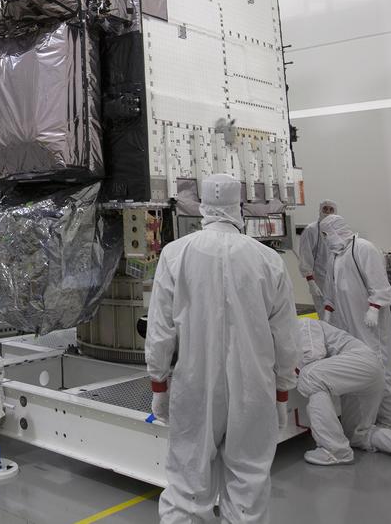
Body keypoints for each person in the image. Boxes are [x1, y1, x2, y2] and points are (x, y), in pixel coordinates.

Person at [146, 174, 298, 523]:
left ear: (203, 207)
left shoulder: (175, 254)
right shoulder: (268, 260)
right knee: (248, 484)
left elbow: (159, 332)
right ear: (239, 206)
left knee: (188, 484)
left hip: (194, 384)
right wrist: (282, 392)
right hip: (254, 388)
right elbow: (287, 338)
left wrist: (159, 385)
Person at [295, 317, 391, 473]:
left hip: (360, 362)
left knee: (308, 376)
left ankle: (334, 450)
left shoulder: (301, 324)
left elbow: (312, 356)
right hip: (365, 374)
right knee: (356, 435)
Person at [319, 214, 391, 431]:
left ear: (334, 231)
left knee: (380, 369)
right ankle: (367, 420)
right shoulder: (335, 255)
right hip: (347, 323)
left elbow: (379, 284)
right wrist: (329, 311)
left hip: (370, 323)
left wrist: (375, 308)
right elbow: (332, 288)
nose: (324, 239)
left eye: (325, 234)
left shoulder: (364, 248)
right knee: (358, 369)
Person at [297, 199, 338, 314]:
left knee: (339, 313)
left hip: (337, 279)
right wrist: (311, 282)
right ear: (320, 210)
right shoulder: (311, 230)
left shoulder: (337, 230)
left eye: (331, 209)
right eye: (325, 209)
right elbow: (305, 256)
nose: (328, 212)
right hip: (320, 280)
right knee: (324, 312)